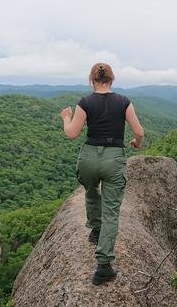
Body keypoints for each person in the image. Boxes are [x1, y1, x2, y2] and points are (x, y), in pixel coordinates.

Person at [60, 62, 144, 285]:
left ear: (91, 80)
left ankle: (95, 230)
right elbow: (139, 131)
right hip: (113, 158)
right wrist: (136, 141)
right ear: (112, 80)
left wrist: (66, 118)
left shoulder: (85, 102)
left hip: (88, 158)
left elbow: (72, 133)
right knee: (111, 211)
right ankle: (104, 265)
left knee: (90, 191)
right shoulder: (124, 102)